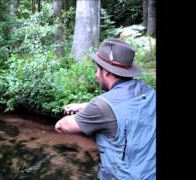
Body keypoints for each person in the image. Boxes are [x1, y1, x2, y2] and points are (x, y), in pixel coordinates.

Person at [55, 38, 156, 179]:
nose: (96, 75)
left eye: (97, 69)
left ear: (106, 72)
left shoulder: (101, 106)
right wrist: (83, 106)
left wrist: (60, 122)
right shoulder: (148, 91)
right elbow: (121, 106)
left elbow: (64, 126)